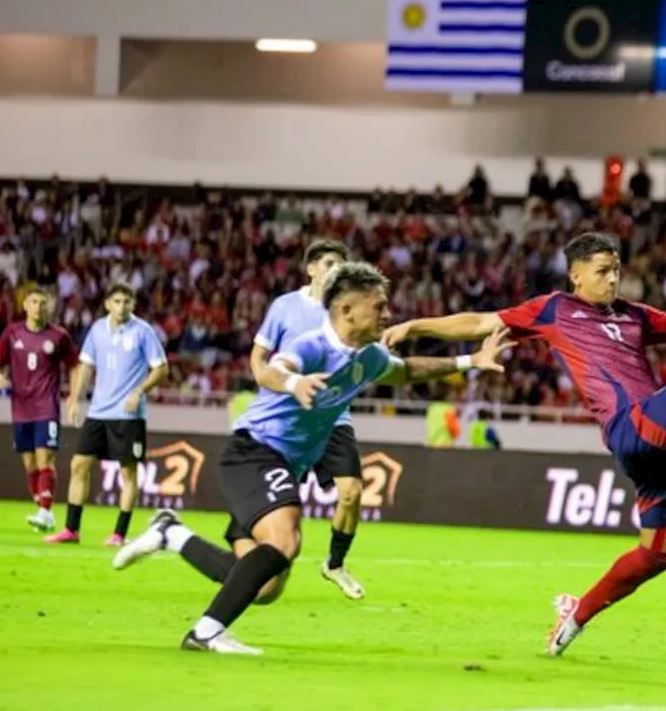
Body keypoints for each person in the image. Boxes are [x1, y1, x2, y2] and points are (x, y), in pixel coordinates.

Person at [383, 232, 666, 657]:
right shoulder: (554, 310)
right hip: (630, 426)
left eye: (617, 269)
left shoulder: (635, 316)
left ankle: (576, 616)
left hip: (658, 445)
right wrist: (416, 326)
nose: (612, 278)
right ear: (576, 274)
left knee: (658, 554)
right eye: (603, 271)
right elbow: (480, 321)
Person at [110, 262, 513, 654]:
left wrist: (469, 361)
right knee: (287, 539)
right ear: (346, 310)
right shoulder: (312, 346)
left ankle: (171, 534)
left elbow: (405, 370)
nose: (387, 314)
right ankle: (204, 633)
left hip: (283, 464)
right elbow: (270, 370)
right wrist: (294, 381)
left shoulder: (367, 356)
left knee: (264, 585)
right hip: (255, 451)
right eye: (379, 306)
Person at [248, 240, 368, 599]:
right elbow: (258, 358)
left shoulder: (346, 311)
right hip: (288, 420)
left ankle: (334, 563)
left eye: (342, 265)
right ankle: (258, 563)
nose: (336, 270)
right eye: (330, 262)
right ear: (311, 268)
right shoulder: (284, 307)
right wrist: (274, 383)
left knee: (352, 492)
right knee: (280, 512)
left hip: (333, 415)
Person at [46, 284, 168, 546]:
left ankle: (119, 534)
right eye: (117, 301)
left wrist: (139, 391)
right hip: (99, 411)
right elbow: (87, 365)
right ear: (107, 304)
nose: (122, 306)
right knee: (79, 465)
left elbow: (161, 369)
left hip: (128, 415)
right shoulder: (98, 330)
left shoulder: (143, 332)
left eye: (127, 301)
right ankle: (71, 529)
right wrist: (76, 398)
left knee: (128, 474)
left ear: (133, 304)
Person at [0, 288, 77, 532]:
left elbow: (75, 365)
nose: (39, 306)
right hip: (20, 407)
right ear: (25, 306)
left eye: (43, 302)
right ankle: (42, 505)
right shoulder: (13, 333)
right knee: (29, 463)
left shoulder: (59, 336)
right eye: (34, 302)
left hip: (46, 406)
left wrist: (73, 395)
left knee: (45, 457)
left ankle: (45, 510)